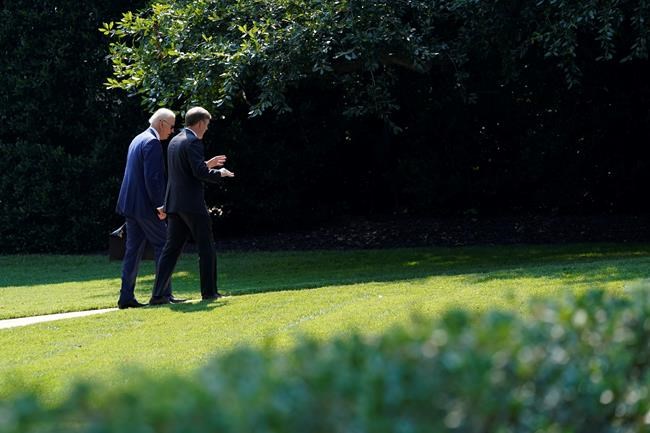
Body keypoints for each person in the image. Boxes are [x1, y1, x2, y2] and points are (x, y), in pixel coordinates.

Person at [149, 106, 234, 305]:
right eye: (207, 124)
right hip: (192, 204)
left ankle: (158, 295)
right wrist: (219, 173)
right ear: (200, 123)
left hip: (174, 204)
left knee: (171, 250)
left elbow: (186, 169)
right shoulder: (194, 142)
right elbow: (199, 173)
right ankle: (209, 293)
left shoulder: (175, 141)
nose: (207, 128)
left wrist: (208, 164)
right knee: (206, 247)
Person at [115, 108, 184, 309]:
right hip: (145, 207)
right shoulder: (152, 142)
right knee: (165, 246)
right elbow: (152, 178)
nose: (172, 131)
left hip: (131, 206)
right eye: (171, 126)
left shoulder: (138, 139)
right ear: (161, 123)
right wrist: (160, 205)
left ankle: (126, 297)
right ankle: (162, 294)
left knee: (133, 252)